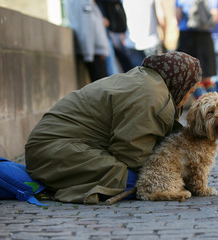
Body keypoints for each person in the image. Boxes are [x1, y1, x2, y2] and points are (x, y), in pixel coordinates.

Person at [25, 52, 202, 204]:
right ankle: (19, 179)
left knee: (159, 178)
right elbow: (131, 156)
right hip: (52, 150)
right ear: (179, 83)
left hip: (58, 145)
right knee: (142, 181)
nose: (188, 98)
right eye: (189, 91)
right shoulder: (152, 97)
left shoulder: (149, 81)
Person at [176, 0, 217, 99]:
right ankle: (216, 104)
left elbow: (177, 17)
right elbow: (214, 17)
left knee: (193, 78)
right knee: (207, 77)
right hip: (206, 37)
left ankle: (202, 105)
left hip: (187, 37)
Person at [64, 0, 110, 82]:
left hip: (93, 48)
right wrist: (89, 52)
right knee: (103, 87)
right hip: (94, 49)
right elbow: (86, 24)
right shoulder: (84, 2)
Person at [123, 0, 166, 67]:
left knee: (138, 75)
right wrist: (164, 35)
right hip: (151, 42)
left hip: (130, 43)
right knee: (155, 75)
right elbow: (161, 16)